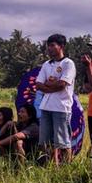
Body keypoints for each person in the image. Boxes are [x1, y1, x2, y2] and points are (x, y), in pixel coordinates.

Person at [36, 34, 76, 166]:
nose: (49, 48)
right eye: (48, 45)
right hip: (45, 106)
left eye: (53, 45)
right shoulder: (46, 64)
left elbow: (62, 84)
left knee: (63, 142)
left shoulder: (68, 63)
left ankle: (66, 169)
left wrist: (48, 85)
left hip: (61, 107)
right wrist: (51, 86)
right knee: (44, 142)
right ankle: (48, 167)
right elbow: (39, 84)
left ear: (62, 47)